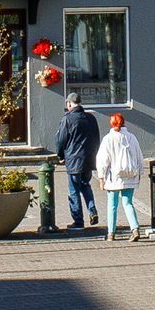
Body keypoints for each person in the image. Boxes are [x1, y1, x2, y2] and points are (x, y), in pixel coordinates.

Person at [94, 112, 144, 242]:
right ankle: (135, 228)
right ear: (123, 123)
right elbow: (139, 157)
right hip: (130, 175)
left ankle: (111, 233)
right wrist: (140, 173)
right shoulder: (132, 138)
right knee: (128, 203)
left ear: (112, 124)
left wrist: (101, 178)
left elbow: (102, 160)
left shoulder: (108, 139)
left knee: (112, 205)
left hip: (113, 178)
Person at [53, 92, 100, 230]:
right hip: (89, 159)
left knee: (73, 190)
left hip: (74, 159)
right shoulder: (91, 118)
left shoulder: (67, 119)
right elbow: (97, 138)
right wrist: (94, 154)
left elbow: (60, 140)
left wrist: (60, 156)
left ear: (69, 103)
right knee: (85, 185)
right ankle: (92, 211)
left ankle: (78, 222)